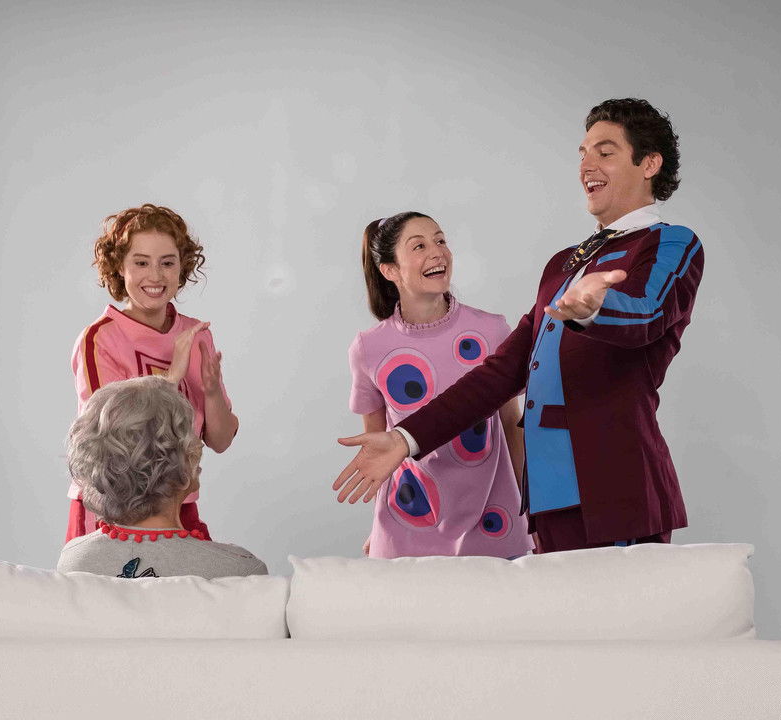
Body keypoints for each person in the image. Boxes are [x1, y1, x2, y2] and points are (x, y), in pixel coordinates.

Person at [333, 98, 704, 553]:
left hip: (617, 490)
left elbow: (647, 314)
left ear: (649, 164)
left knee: (619, 605)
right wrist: (405, 439)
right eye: (583, 153)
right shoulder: (564, 264)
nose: (586, 165)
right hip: (549, 500)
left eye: (605, 152)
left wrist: (595, 308)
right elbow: (498, 374)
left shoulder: (671, 242)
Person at [348, 211, 532, 559]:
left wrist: (529, 509)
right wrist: (377, 527)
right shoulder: (368, 348)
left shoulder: (491, 330)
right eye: (419, 246)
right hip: (406, 522)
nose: (437, 252)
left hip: (493, 520)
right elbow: (379, 449)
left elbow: (511, 424)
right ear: (390, 270)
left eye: (441, 240)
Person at [66, 203, 237, 543]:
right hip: (112, 507)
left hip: (176, 505)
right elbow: (110, 445)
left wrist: (212, 391)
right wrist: (172, 376)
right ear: (119, 267)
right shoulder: (100, 338)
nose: (156, 276)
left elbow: (220, 441)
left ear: (182, 266)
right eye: (141, 262)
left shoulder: (196, 334)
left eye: (167, 263)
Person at [58, 377, 266, 579]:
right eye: (190, 434)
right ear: (186, 461)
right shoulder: (239, 571)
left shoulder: (75, 561)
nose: (200, 444)